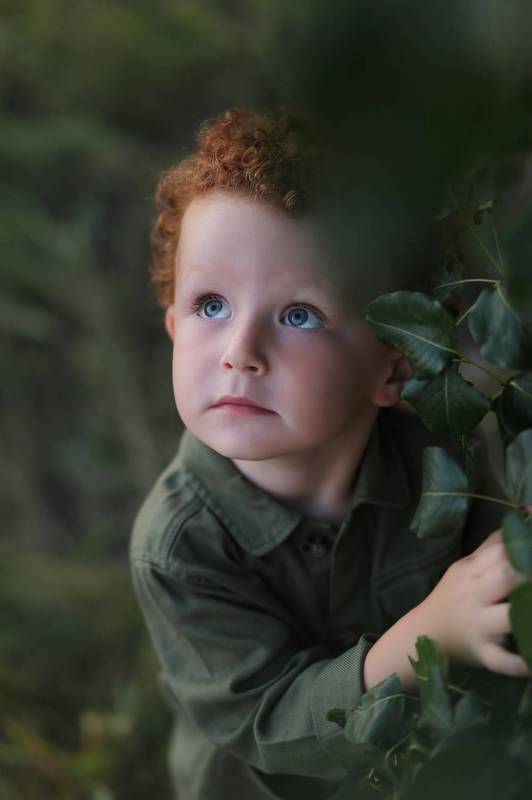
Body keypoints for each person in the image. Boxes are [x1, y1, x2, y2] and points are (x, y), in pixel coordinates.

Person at [129, 109, 530, 800]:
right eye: (211, 305)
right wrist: (429, 634)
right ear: (172, 324)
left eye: (299, 315)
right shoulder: (176, 547)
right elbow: (266, 719)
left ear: (395, 367)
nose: (240, 353)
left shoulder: (449, 461)